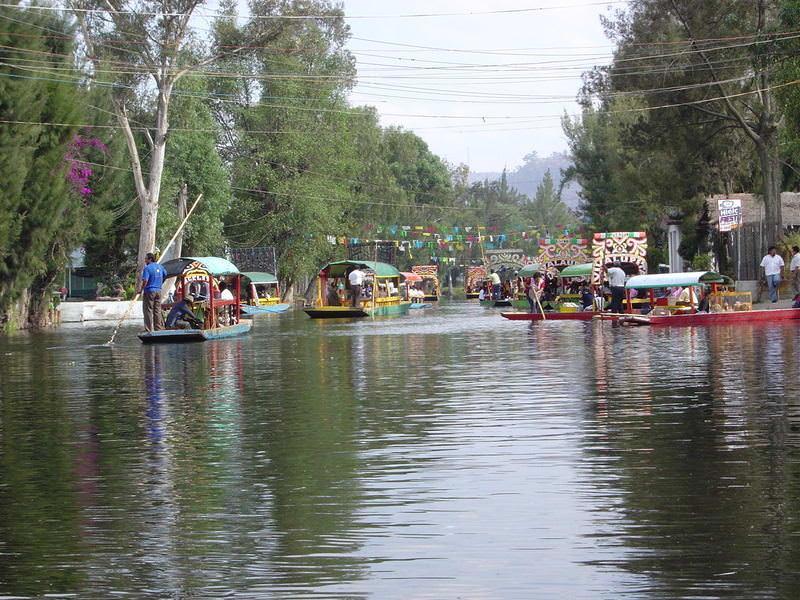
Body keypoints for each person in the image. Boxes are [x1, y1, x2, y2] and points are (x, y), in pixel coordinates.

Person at [137, 252, 167, 332]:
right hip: (158, 291)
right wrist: (160, 283)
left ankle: (148, 329)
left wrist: (141, 290)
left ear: (150, 259)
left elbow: (145, 281)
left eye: (146, 259)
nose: (145, 261)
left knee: (148, 310)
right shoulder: (160, 267)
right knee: (157, 310)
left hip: (149, 291)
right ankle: (158, 328)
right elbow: (165, 275)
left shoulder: (147, 268)